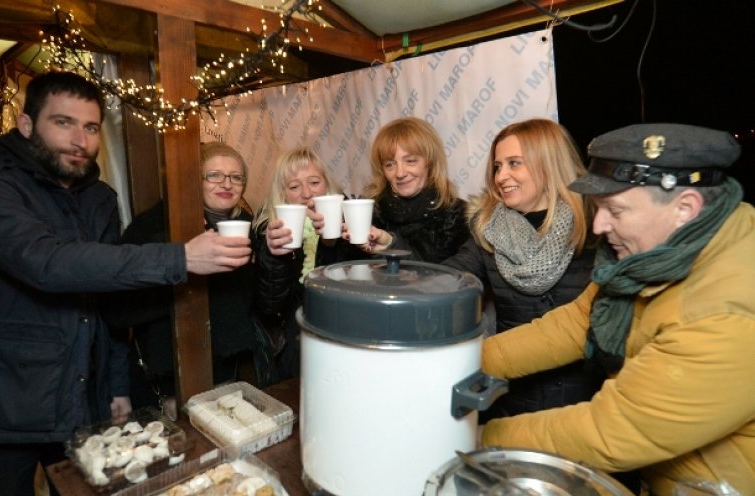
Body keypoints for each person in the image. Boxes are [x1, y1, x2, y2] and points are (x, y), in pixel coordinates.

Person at [0, 71, 251, 496]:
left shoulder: (97, 198)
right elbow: (48, 264)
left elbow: (102, 303)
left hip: (74, 402)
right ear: (25, 124)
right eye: (64, 123)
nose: (80, 140)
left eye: (90, 127)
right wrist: (181, 257)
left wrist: (116, 387)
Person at [477, 123, 755, 496]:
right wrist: (463, 365)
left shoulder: (728, 310)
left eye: (617, 210)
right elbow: (572, 324)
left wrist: (479, 441)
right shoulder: (652, 256)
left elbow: (611, 431)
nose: (601, 224)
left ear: (685, 207)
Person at [443, 118, 602, 421]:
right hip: (511, 399)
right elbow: (444, 279)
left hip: (585, 404)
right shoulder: (488, 230)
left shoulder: (596, 225)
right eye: (498, 166)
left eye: (514, 163)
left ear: (548, 162)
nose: (502, 176)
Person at [103, 141, 260, 413]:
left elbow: (254, 302)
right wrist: (182, 264)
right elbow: (119, 311)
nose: (227, 184)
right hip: (166, 381)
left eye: (236, 177)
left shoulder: (247, 226)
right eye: (214, 175)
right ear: (193, 179)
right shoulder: (152, 227)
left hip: (224, 376)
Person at [254, 147, 363, 382]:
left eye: (314, 182)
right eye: (294, 186)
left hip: (347, 341)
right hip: (296, 345)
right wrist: (274, 256)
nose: (306, 193)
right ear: (282, 196)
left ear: (327, 185)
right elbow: (269, 307)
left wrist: (331, 244)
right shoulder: (272, 233)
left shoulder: (353, 224)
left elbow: (358, 294)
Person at [359, 117, 469, 262]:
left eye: (410, 161)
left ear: (430, 162)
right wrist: (331, 242)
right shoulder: (372, 213)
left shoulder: (457, 216)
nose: (400, 173)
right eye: (390, 164)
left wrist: (390, 245)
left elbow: (455, 278)